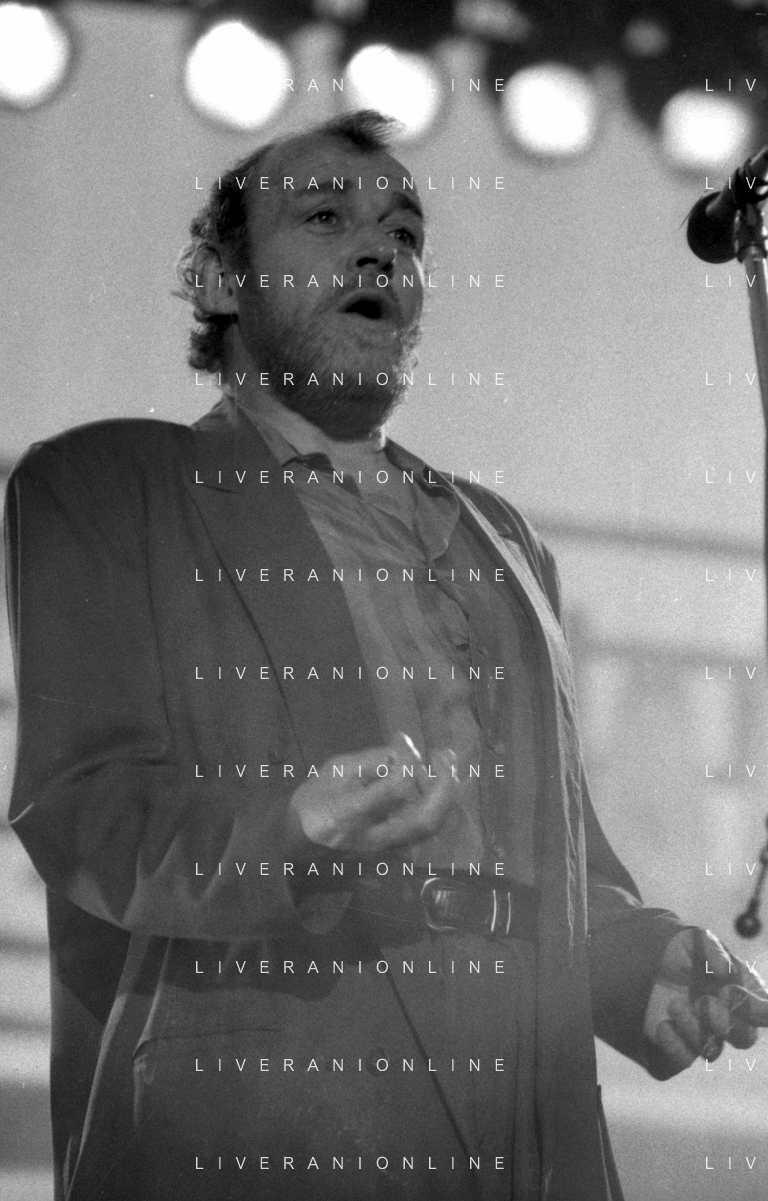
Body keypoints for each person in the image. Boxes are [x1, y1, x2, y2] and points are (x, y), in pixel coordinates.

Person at [5, 109, 767, 1201]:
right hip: (267, 1105)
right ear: (219, 281)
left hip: (522, 1117)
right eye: (325, 218)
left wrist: (630, 964)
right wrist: (291, 830)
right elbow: (87, 809)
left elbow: (553, 855)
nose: (380, 250)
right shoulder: (111, 486)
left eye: (405, 232)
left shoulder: (504, 538)